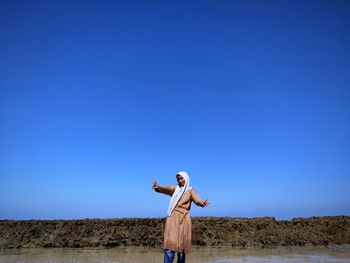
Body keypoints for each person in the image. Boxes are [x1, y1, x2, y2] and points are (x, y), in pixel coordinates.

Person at [152, 171, 209, 263]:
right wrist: (158, 187)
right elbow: (167, 189)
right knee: (170, 245)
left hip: (184, 219)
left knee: (182, 248)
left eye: (182, 178)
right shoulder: (175, 188)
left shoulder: (190, 190)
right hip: (173, 218)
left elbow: (197, 199)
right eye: (178, 179)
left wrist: (202, 203)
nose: (180, 180)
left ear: (186, 179)